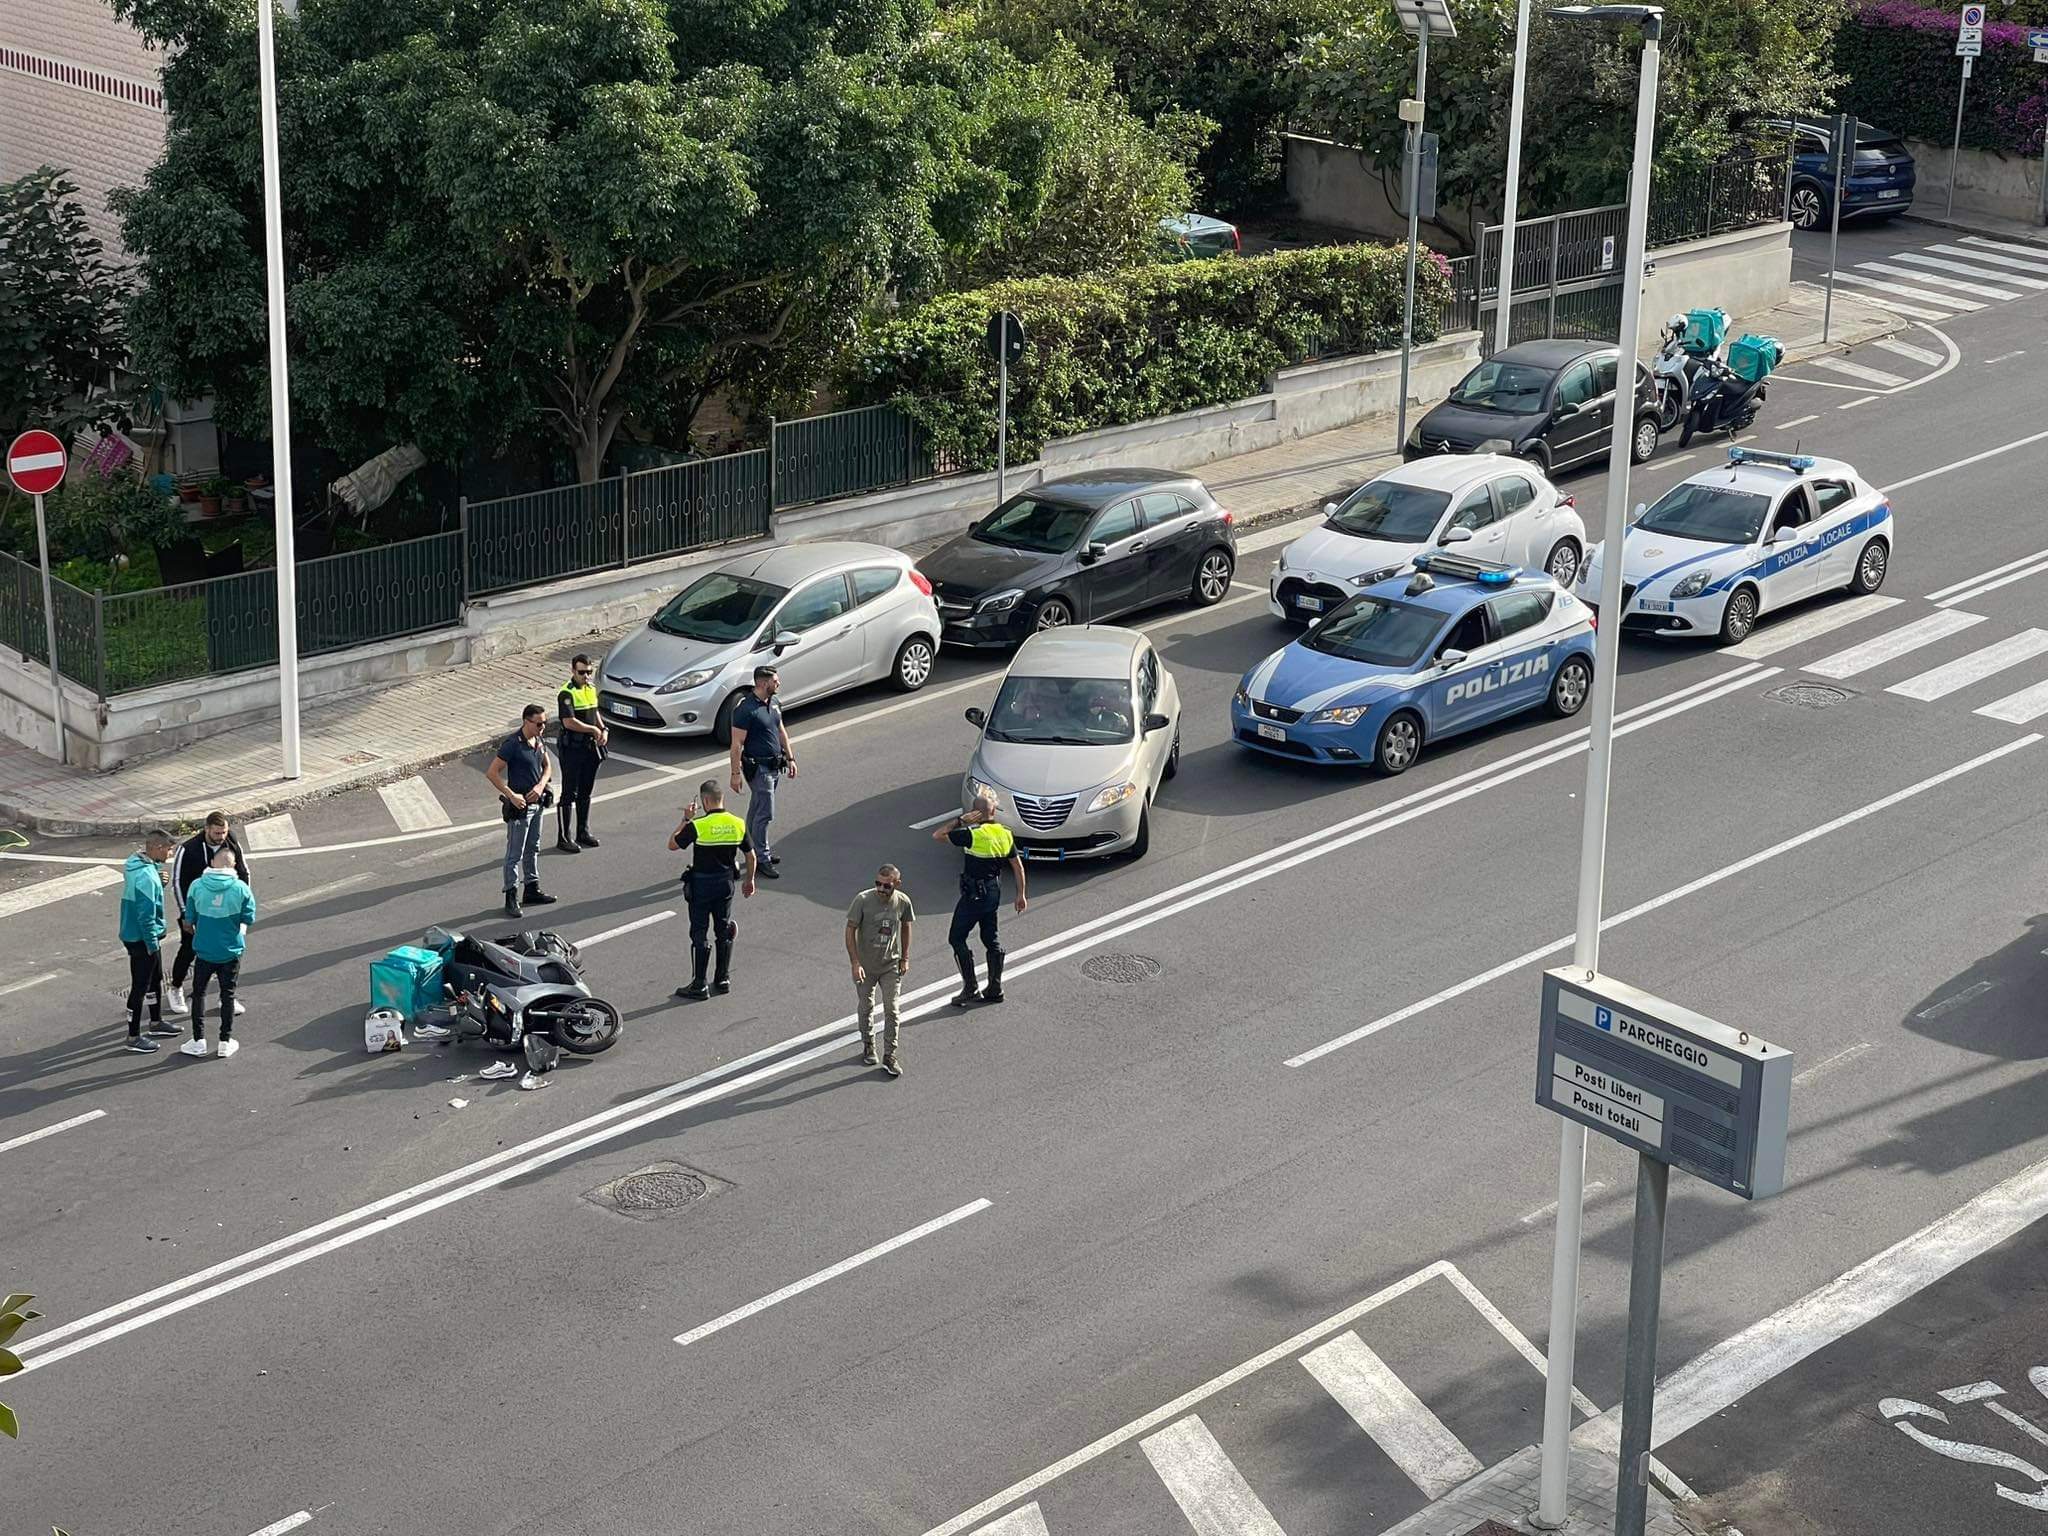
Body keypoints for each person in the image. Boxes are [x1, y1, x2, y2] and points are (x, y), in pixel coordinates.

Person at [933, 792, 1027, 1009]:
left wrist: (960, 821)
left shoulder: (971, 834)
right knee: (990, 939)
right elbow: (1017, 866)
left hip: (974, 894)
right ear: (994, 811)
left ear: (974, 813)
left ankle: (970, 987)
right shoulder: (1004, 833)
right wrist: (1021, 894)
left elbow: (938, 835)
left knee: (956, 938)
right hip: (994, 893)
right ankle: (995, 988)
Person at [667, 780, 758, 999]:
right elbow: (751, 856)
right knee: (723, 929)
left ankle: (699, 984)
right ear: (721, 798)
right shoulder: (737, 823)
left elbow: (672, 844)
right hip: (725, 884)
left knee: (699, 933)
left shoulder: (698, 825)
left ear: (705, 801)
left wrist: (685, 819)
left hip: (702, 885)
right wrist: (749, 881)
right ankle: (723, 978)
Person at [165, 811, 250, 1017]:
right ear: (207, 829)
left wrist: (241, 907)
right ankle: (175, 987)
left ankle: (226, 996)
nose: (222, 837)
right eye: (217, 832)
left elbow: (244, 872)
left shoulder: (231, 841)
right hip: (197, 911)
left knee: (230, 954)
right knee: (188, 950)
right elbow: (177, 882)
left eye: (224, 832)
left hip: (226, 913)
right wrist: (186, 913)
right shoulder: (188, 849)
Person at [182, 844, 256, 1059]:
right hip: (230, 951)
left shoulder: (197, 886)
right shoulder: (241, 888)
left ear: (212, 863)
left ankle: (198, 1041)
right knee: (228, 995)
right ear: (233, 865)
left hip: (204, 950)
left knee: (199, 994)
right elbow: (249, 917)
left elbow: (189, 918)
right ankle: (225, 1041)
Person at [487, 704, 557, 919]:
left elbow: (547, 767)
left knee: (533, 847)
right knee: (514, 854)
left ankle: (532, 888)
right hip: (520, 807)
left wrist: (540, 786)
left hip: (537, 803)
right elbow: (492, 773)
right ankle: (510, 895)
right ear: (526, 721)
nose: (543, 726)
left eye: (544, 722)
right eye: (538, 723)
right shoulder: (512, 744)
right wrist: (511, 795)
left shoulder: (538, 740)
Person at [845, 864, 915, 1075]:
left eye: (886, 885)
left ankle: (890, 1055)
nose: (881, 889)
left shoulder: (902, 901)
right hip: (866, 966)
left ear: (897, 883)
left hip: (890, 965)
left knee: (892, 1010)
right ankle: (868, 1043)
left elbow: (906, 926)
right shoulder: (863, 900)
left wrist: (905, 957)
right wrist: (855, 963)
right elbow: (850, 930)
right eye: (878, 883)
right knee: (866, 1006)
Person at [729, 665, 795, 879]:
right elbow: (737, 744)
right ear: (763, 683)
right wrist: (735, 773)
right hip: (759, 768)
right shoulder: (745, 709)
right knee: (765, 813)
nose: (779, 683)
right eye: (775, 681)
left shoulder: (774, 702)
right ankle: (761, 858)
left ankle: (752, 849)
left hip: (775, 766)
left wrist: (790, 757)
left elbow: (780, 729)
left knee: (757, 809)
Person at [118, 829, 179, 1053]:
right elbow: (145, 916)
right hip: (142, 938)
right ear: (157, 848)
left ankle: (155, 1022)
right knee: (139, 986)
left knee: (155, 978)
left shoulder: (139, 865)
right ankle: (133, 1036)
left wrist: (158, 876)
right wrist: (152, 943)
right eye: (169, 849)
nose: (171, 854)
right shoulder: (145, 877)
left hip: (141, 935)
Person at [554, 653, 608, 854]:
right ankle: (564, 837)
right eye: (581, 672)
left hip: (590, 748)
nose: (585, 676)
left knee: (586, 791)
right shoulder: (566, 693)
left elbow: (595, 713)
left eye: (589, 672)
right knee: (569, 792)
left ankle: (582, 831)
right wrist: (593, 730)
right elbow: (569, 722)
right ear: (573, 671)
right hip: (572, 748)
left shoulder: (590, 688)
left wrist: (603, 729)